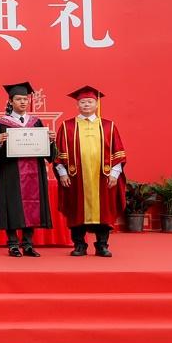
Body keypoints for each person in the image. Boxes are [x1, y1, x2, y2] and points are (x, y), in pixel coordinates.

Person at [54, 86, 127, 257]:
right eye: (82, 102)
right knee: (76, 210)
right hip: (76, 177)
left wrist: (114, 173)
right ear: (77, 105)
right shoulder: (67, 126)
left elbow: (118, 152)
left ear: (96, 104)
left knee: (104, 211)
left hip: (103, 177)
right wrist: (62, 172)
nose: (86, 105)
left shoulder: (109, 126)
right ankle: (79, 245)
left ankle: (102, 245)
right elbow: (59, 153)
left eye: (90, 101)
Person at [0, 82, 56, 258]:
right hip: (11, 171)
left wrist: (50, 141)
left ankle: (28, 244)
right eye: (18, 99)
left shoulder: (36, 122)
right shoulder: (2, 124)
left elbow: (48, 154)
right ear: (11, 101)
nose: (23, 102)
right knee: (12, 204)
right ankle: (12, 244)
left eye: (25, 99)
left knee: (32, 204)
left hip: (34, 171)